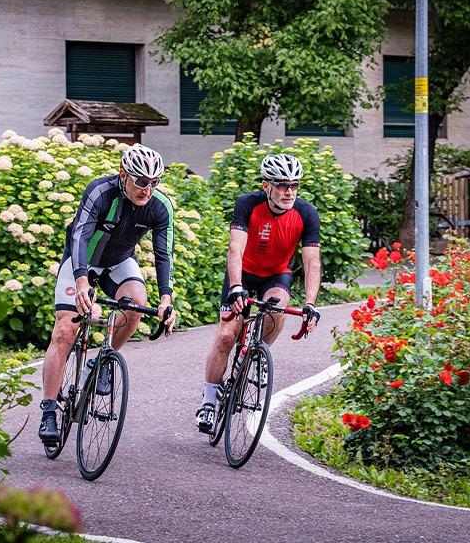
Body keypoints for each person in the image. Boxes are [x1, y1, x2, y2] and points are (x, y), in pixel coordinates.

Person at [39, 143, 178, 443]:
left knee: (137, 304)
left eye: (154, 183)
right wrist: (80, 283)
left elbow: (163, 255)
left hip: (118, 262)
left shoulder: (160, 206)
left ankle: (102, 359)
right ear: (123, 173)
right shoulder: (100, 192)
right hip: (82, 261)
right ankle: (49, 409)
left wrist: (166, 300)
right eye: (141, 181)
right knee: (65, 331)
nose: (147, 189)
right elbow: (80, 235)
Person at [195, 153, 322, 433]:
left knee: (276, 311)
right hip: (244, 272)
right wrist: (236, 285)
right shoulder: (247, 204)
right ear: (267, 186)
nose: (289, 192)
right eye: (282, 185)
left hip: (277, 274)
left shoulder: (306, 213)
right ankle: (208, 402)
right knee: (227, 335)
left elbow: (312, 262)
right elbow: (235, 249)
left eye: (294, 186)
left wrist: (311, 304)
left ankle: (256, 353)